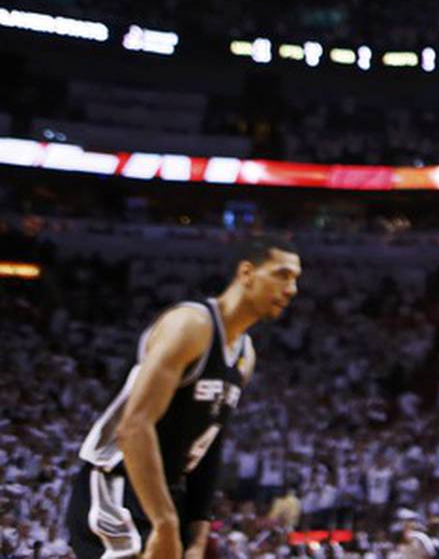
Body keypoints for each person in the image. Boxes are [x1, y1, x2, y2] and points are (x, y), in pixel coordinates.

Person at [68, 236, 301, 559]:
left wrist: (198, 532)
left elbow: (209, 447)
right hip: (118, 485)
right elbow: (134, 427)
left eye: (295, 279)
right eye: (282, 275)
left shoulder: (245, 354)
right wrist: (164, 523)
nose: (292, 290)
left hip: (166, 494)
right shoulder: (192, 325)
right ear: (247, 273)